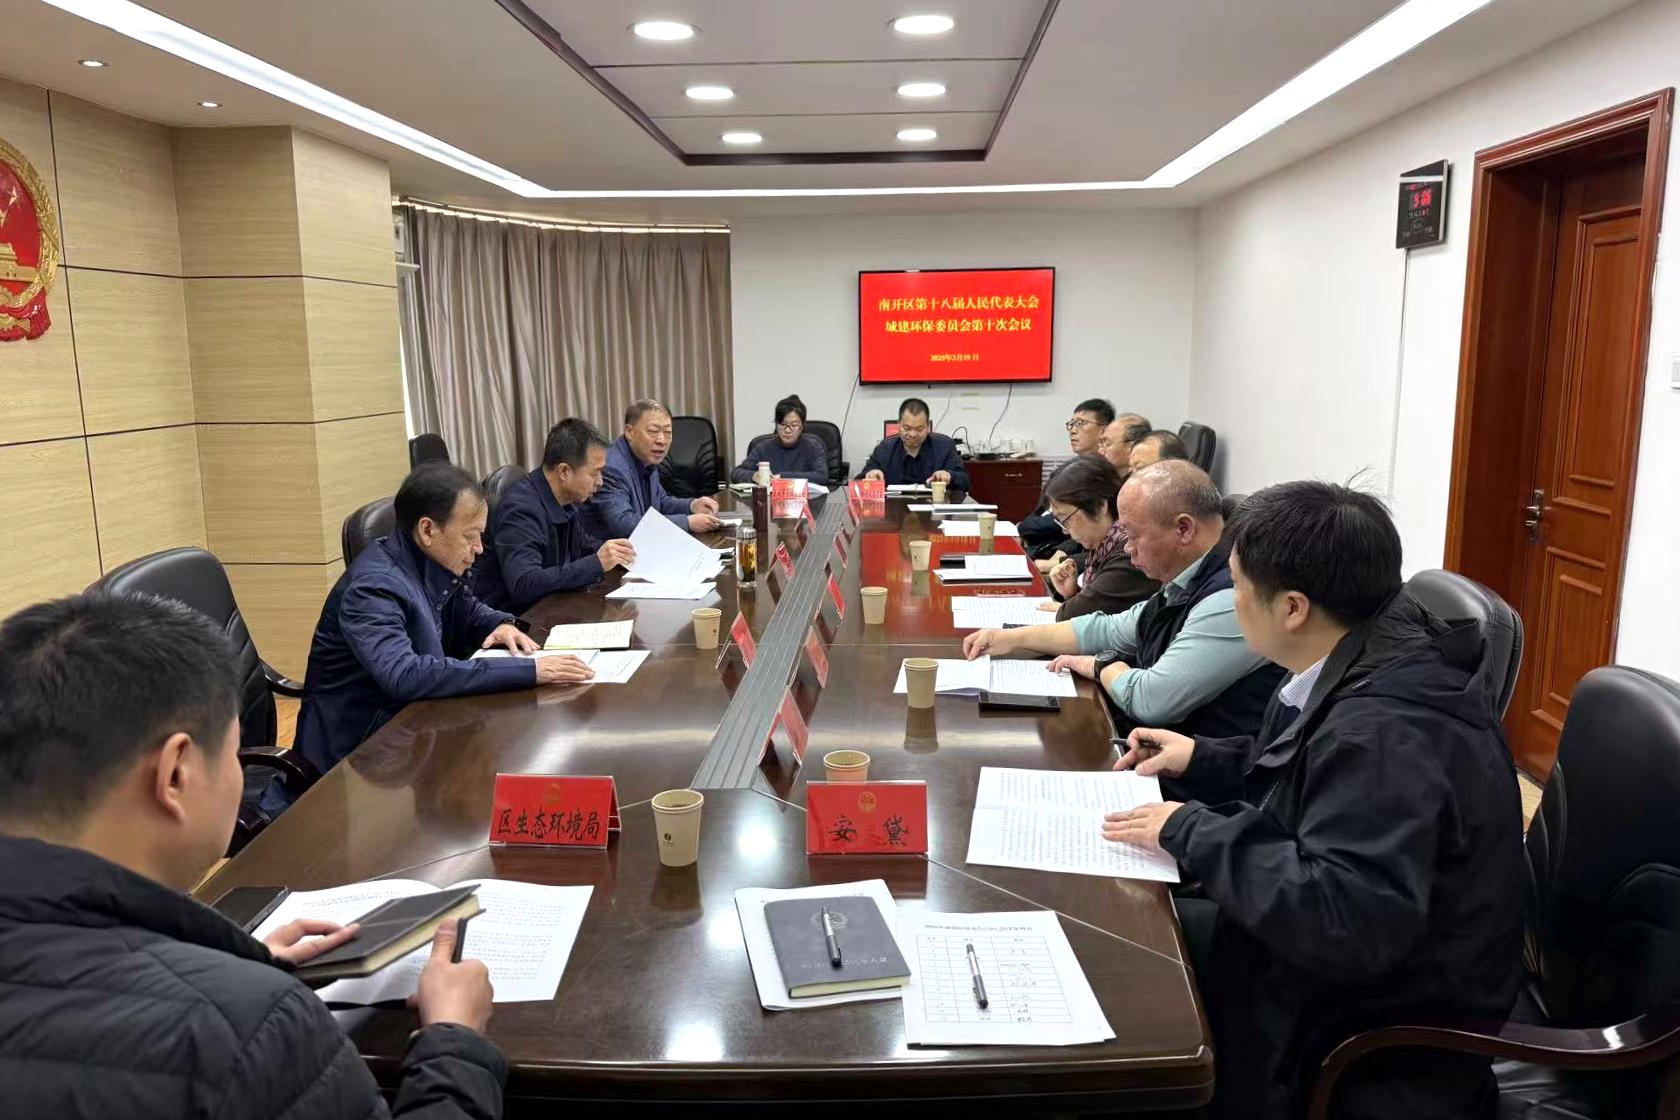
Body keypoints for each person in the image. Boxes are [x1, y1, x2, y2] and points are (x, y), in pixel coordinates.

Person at [1102, 482, 1525, 1120]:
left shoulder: (1385, 734)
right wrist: (1202, 756)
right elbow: (1311, 773)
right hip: (1320, 964)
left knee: (1122, 991)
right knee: (1122, 936)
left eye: (1237, 585)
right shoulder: (1367, 657)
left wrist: (1190, 829)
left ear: (1293, 608)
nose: (1231, 600)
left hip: (1360, 1028)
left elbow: (1343, 917)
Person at [0, 591, 507, 1118]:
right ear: (176, 774)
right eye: (233, 750)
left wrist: (234, 962)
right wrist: (455, 1041)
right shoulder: (254, 1032)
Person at [295, 463, 594, 775]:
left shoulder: (429, 562)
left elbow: (468, 608)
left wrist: (501, 624)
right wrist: (529, 670)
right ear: (428, 530)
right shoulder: (373, 588)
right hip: (359, 758)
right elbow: (404, 674)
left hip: (413, 729)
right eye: (470, 536)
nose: (479, 548)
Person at [962, 461, 1283, 737]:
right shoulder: (1187, 579)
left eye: (1133, 535)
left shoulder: (1231, 599)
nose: (1127, 548)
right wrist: (1010, 638)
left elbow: (1151, 700)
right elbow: (1108, 629)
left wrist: (1102, 666)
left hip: (1199, 775)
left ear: (1184, 529)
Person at [476, 419, 636, 614]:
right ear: (564, 471)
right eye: (595, 473)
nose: (600, 482)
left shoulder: (564, 500)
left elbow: (584, 547)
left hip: (549, 609)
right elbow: (524, 584)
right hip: (516, 620)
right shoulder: (520, 509)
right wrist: (596, 563)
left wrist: (620, 552)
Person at [1039, 454, 1157, 620]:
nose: (1066, 531)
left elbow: (1076, 616)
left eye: (1066, 519)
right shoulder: (1105, 547)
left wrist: (1069, 605)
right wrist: (1071, 593)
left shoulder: (1129, 553)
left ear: (1099, 505)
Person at [583, 399, 722, 538]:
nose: (662, 440)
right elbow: (624, 524)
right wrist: (687, 522)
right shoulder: (611, 467)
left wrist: (692, 505)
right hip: (606, 548)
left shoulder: (646, 458)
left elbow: (659, 502)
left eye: (668, 432)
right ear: (629, 432)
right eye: (653, 431)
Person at [1021, 402, 1130, 563]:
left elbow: (1087, 527)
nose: (1073, 430)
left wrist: (1062, 556)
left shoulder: (1110, 480)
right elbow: (1041, 511)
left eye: (1080, 423)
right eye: (1071, 424)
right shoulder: (1066, 473)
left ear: (1103, 430)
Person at [859, 397, 969, 490]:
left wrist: (949, 476)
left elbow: (965, 482)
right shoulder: (884, 449)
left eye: (919, 429)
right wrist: (870, 475)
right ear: (898, 424)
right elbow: (859, 482)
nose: (912, 434)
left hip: (933, 507)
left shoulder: (944, 447)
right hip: (894, 508)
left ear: (928, 426)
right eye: (907, 428)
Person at [730, 394, 829, 485]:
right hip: (771, 498)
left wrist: (783, 477)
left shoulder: (813, 447)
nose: (787, 430)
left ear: (802, 426)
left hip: (804, 498)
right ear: (776, 424)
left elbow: (822, 476)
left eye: (793, 425)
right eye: (783, 424)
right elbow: (736, 473)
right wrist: (754, 476)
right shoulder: (763, 448)